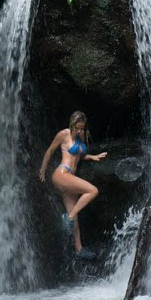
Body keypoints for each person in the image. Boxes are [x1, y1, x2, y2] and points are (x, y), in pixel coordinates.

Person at [39, 110, 107, 260]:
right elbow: (50, 151)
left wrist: (93, 156)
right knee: (92, 191)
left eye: (82, 128)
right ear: (72, 124)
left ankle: (78, 249)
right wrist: (43, 170)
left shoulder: (81, 136)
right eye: (77, 127)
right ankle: (68, 218)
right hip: (62, 174)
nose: (80, 130)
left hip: (70, 177)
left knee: (75, 213)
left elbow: (79, 155)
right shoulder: (64, 134)